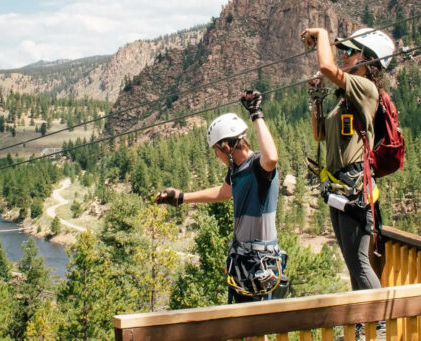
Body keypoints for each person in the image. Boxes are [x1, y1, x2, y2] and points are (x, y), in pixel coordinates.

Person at [156, 91, 287, 306]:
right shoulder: (236, 171)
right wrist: (182, 197)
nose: (216, 156)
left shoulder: (258, 167)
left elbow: (272, 157)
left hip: (259, 263)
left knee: (254, 331)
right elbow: (224, 192)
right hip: (244, 262)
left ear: (226, 147)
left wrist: (256, 113)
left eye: (216, 151)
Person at [302, 27, 394, 334]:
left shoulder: (366, 90)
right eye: (343, 51)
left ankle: (378, 331)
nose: (344, 55)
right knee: (352, 264)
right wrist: (316, 98)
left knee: (359, 263)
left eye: (350, 52)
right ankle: (360, 330)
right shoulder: (345, 99)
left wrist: (323, 34)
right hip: (339, 189)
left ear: (368, 60)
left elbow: (327, 67)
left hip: (354, 188)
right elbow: (320, 134)